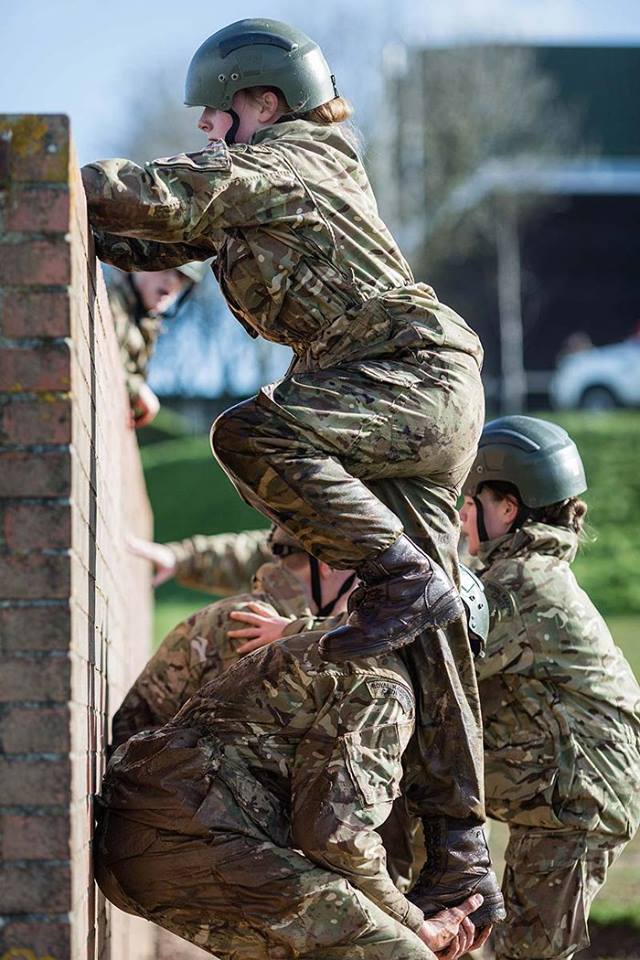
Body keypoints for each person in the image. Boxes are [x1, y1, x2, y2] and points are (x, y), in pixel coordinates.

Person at [81, 18, 499, 921]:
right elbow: (164, 231)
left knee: (250, 434)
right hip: (423, 389)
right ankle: (465, 860)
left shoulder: (290, 158)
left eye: (214, 113)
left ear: (262, 104)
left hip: (405, 375)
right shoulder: (285, 183)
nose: (204, 129)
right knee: (435, 638)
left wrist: (43, 182)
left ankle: (397, 576)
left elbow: (161, 191)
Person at [96, 631, 491, 960]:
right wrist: (413, 923)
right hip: (180, 837)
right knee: (401, 954)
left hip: (159, 832)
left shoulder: (350, 652)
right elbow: (338, 837)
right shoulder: (386, 691)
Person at [460, 415, 640, 960]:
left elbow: (428, 650)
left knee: (527, 954)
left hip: (576, 802)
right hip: (560, 794)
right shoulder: (525, 573)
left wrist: (295, 634)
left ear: (507, 509)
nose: (462, 512)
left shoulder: (521, 585)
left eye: (472, 499)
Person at [112, 526, 356, 748]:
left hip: (157, 774)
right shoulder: (255, 630)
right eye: (362, 575)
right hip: (154, 779)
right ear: (331, 565)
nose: (363, 590)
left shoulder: (272, 621)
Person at [106, 262, 205, 427]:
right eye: (165, 266)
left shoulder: (144, 323)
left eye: (181, 276)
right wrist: (137, 391)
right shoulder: (111, 305)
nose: (172, 281)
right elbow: (104, 365)